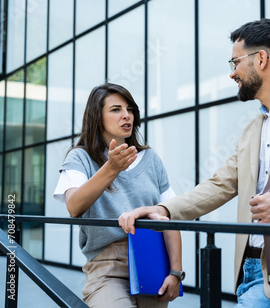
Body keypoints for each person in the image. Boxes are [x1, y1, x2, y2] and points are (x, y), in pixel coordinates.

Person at [119, 18, 270, 307]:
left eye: (235, 62)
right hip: (250, 273)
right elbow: (220, 185)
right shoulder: (252, 130)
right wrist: (164, 209)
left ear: (261, 59)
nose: (232, 74)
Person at [53, 83, 183, 307]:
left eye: (130, 109)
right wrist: (111, 168)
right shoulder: (80, 158)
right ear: (97, 117)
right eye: (116, 110)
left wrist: (176, 273)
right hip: (106, 265)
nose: (127, 116)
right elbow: (74, 206)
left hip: (151, 260)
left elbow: (169, 217)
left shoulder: (151, 159)